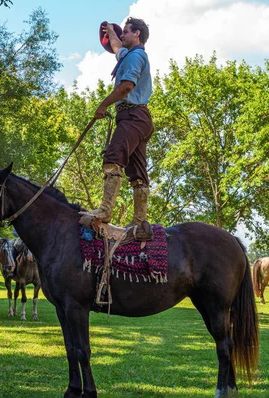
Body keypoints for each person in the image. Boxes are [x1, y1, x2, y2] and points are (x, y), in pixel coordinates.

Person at [80, 17, 154, 235]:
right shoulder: (128, 54)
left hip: (132, 115)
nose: (122, 36)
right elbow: (117, 47)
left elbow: (126, 87)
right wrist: (110, 30)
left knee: (113, 158)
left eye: (126, 32)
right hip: (139, 119)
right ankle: (139, 221)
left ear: (137, 34)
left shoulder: (136, 56)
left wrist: (103, 105)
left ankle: (105, 211)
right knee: (138, 172)